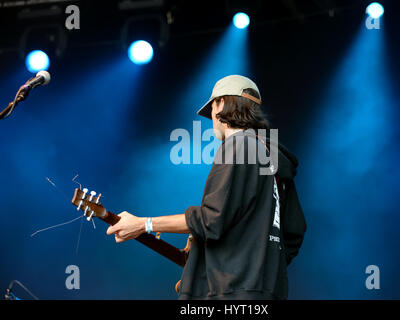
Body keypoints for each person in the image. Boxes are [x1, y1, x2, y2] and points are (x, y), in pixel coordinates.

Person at [106, 75, 306, 300]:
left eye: (211, 109)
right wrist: (259, 268)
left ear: (220, 103)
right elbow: (294, 231)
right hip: (269, 291)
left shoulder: (237, 146)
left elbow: (212, 220)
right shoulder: (272, 158)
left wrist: (144, 224)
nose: (211, 118)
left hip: (231, 292)